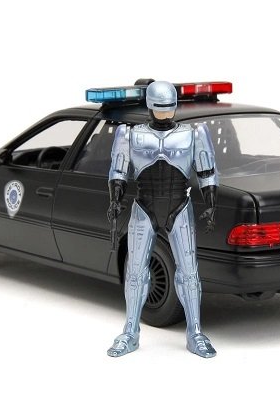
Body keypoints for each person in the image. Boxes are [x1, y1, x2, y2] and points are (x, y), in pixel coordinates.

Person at [106, 80, 218, 358]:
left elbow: (207, 171)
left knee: (189, 272)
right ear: (150, 107)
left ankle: (195, 332)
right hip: (144, 205)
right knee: (135, 272)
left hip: (180, 205)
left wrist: (211, 203)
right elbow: (118, 170)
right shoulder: (129, 134)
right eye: (161, 109)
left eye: (169, 109)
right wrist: (115, 199)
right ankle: (130, 332)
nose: (166, 114)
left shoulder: (193, 134)